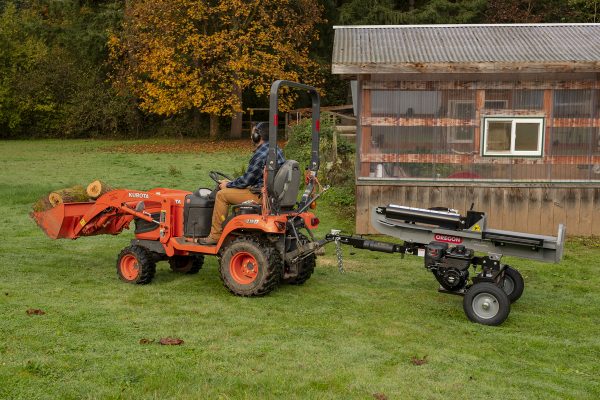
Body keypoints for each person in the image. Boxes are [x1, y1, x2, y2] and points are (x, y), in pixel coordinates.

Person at [199, 122, 286, 245]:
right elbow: (255, 178)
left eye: (252, 134)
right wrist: (231, 182)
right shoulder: (276, 149)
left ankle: (215, 235)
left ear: (257, 136)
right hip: (270, 194)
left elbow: (246, 181)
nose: (251, 137)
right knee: (226, 189)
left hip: (261, 196)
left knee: (221, 195)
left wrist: (227, 185)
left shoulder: (261, 154)